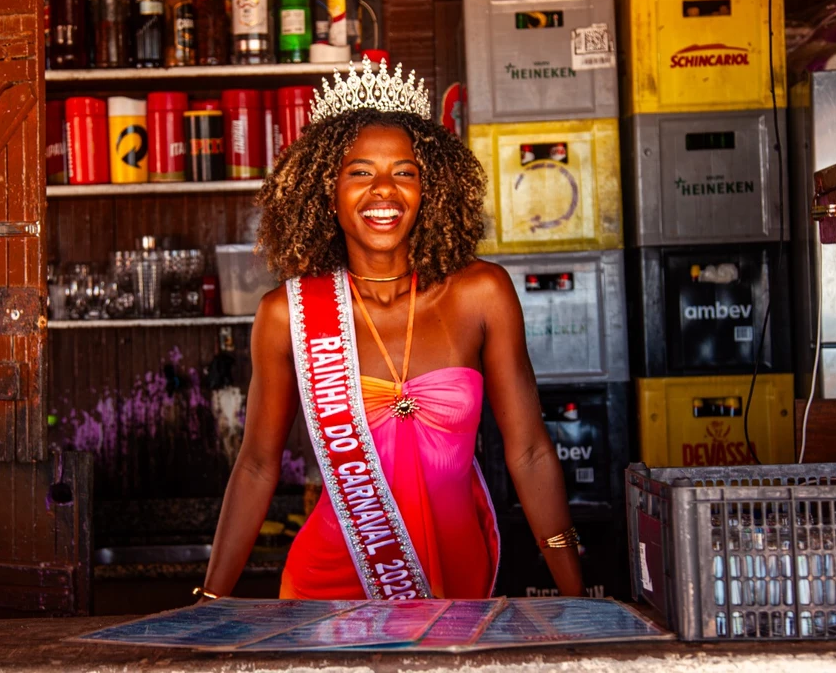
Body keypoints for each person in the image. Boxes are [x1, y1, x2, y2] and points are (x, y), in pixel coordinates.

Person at [197, 61, 583, 601]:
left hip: (457, 581)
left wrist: (576, 593)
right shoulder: (289, 314)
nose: (384, 190)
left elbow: (531, 453)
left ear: (430, 188)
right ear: (327, 191)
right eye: (360, 173)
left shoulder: (482, 293)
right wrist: (209, 600)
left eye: (404, 172)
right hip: (329, 590)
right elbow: (258, 466)